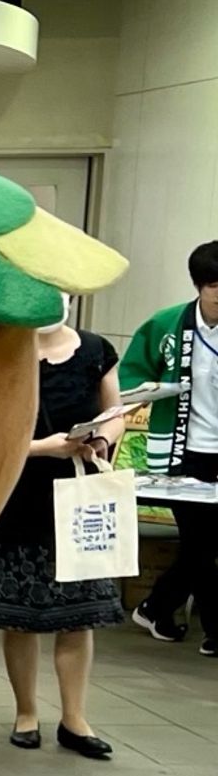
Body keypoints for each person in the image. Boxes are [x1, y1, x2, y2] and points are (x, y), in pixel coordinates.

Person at [0, 302, 123, 758]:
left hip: (79, 497)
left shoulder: (96, 350)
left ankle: (75, 717)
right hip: (18, 495)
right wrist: (42, 448)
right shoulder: (4, 350)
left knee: (79, 614)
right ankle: (25, 712)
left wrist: (103, 439)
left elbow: (116, 411)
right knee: (20, 616)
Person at [123, 240, 218, 651]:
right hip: (184, 450)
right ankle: (215, 631)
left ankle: (156, 606)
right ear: (200, 286)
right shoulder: (167, 324)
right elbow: (128, 375)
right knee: (201, 545)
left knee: (205, 547)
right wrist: (147, 391)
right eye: (215, 285)